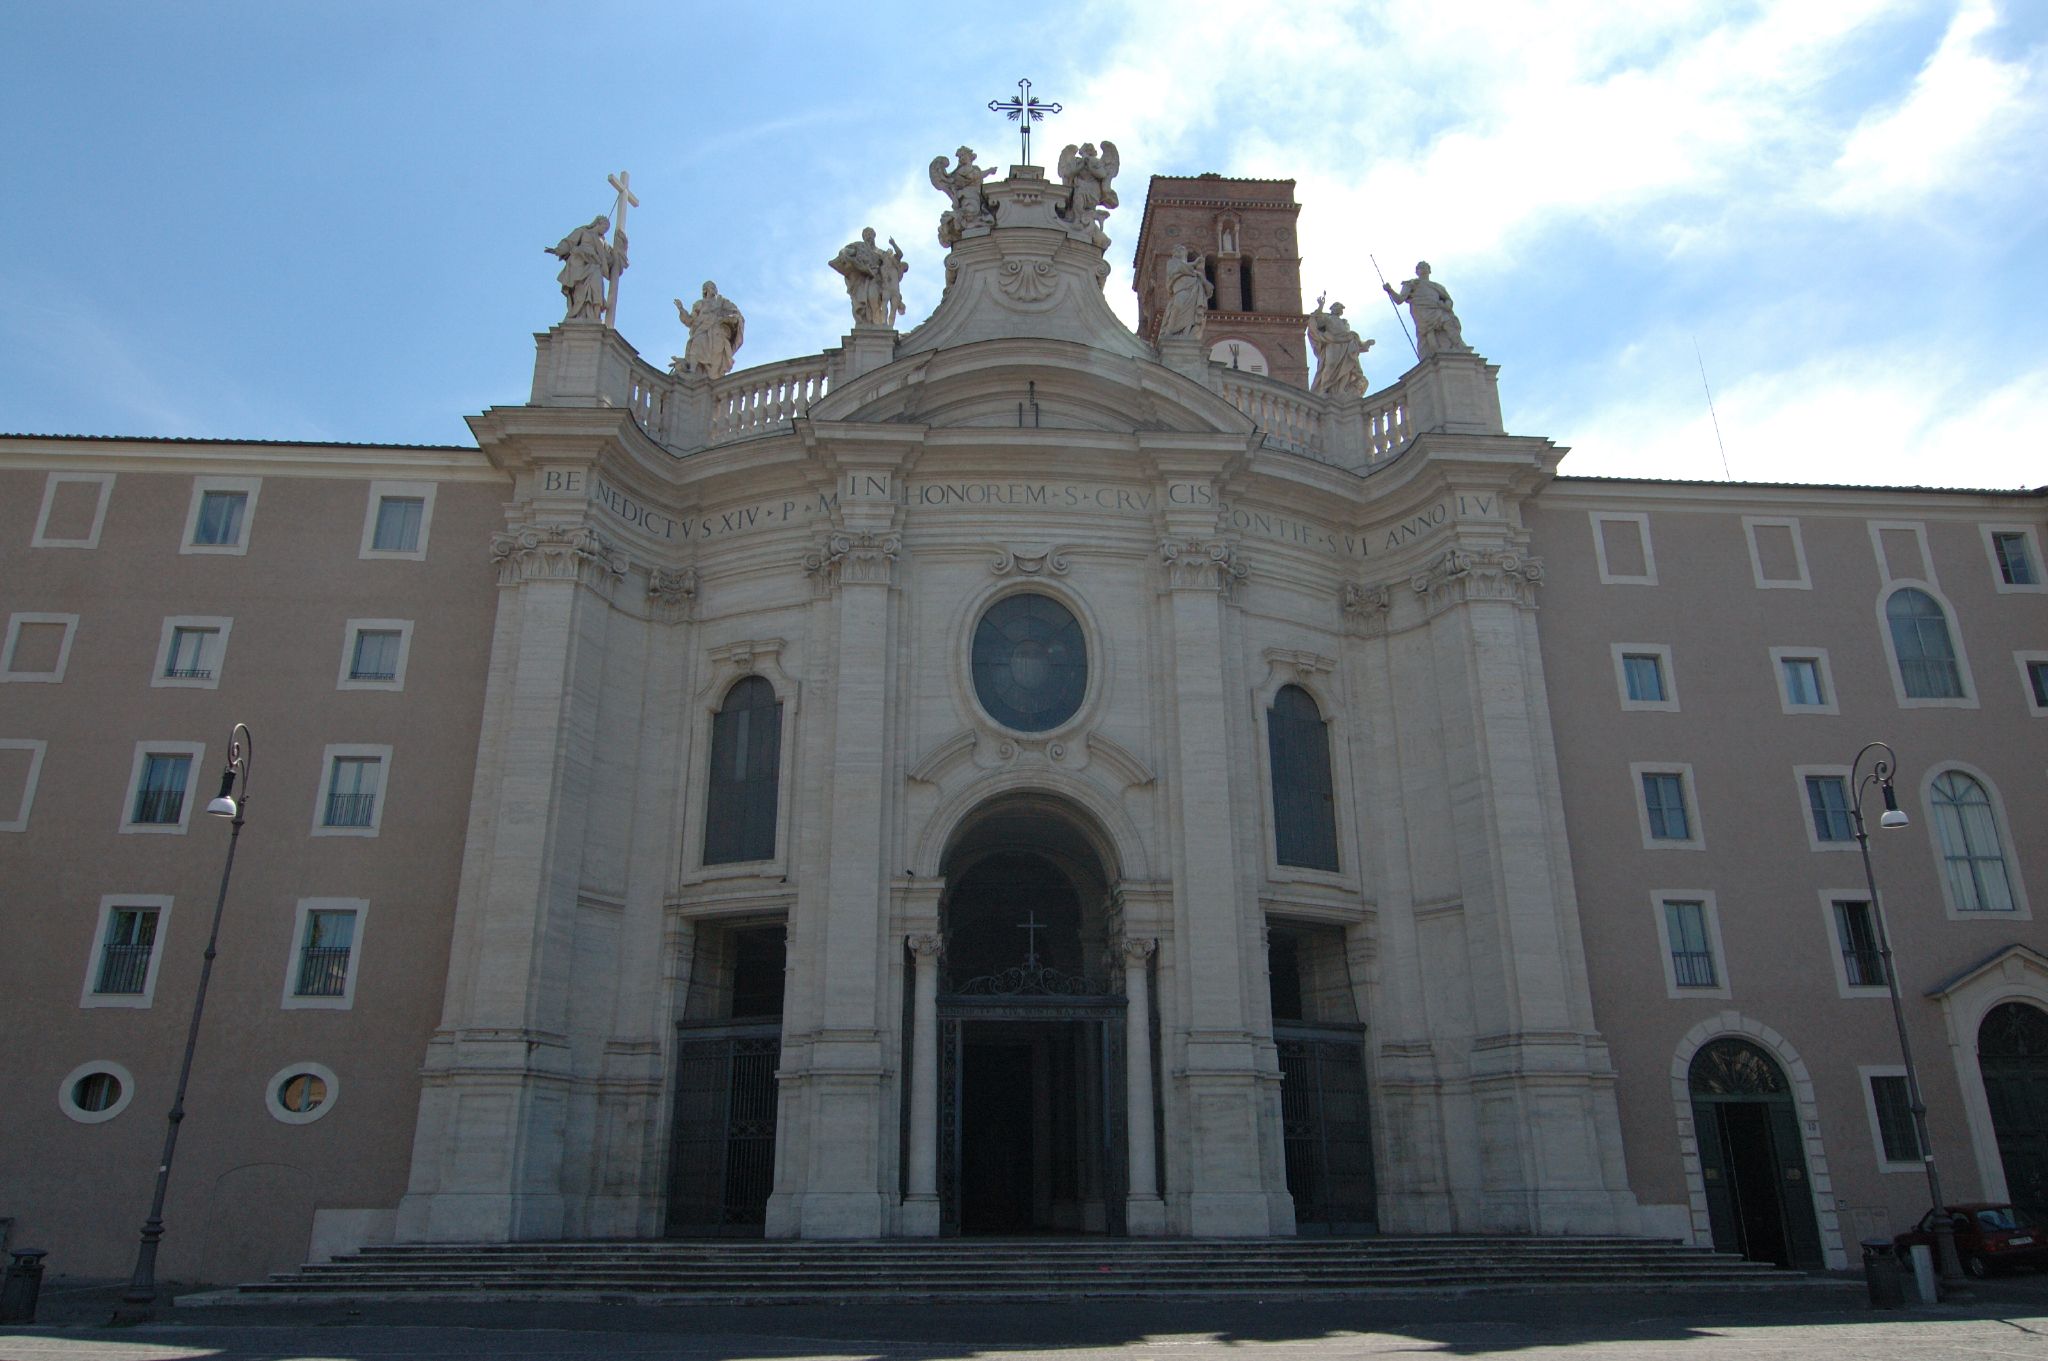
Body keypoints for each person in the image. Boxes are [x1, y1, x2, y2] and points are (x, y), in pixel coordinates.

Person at [1384, 261, 1468, 358]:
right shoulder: (1411, 284)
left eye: (1425, 267)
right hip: (1421, 312)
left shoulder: (1437, 286)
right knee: (1428, 332)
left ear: (1429, 270)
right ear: (1416, 271)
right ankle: (1434, 354)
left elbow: (1448, 299)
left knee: (1449, 322)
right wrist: (1390, 290)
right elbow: (1399, 300)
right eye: (1420, 267)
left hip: (1438, 309)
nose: (1423, 268)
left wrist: (1447, 306)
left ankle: (1459, 345)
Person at [830, 228, 908, 328]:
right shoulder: (860, 247)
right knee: (872, 298)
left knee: (875, 300)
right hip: (866, 280)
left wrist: (893, 245)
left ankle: (878, 324)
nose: (868, 236)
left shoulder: (880, 252)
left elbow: (895, 258)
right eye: (866, 234)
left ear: (874, 236)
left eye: (870, 234)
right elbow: (846, 252)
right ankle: (874, 323)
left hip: (879, 281)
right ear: (863, 237)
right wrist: (845, 253)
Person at [546, 215, 616, 323]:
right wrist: (558, 250)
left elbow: (610, 258)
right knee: (580, 290)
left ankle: (593, 315)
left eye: (607, 229)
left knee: (596, 288)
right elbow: (569, 242)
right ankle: (577, 315)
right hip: (579, 264)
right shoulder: (583, 231)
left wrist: (619, 250)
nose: (605, 231)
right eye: (605, 227)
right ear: (598, 223)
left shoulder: (602, 242)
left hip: (594, 267)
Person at [1305, 294, 1372, 398]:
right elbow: (1315, 320)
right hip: (1332, 343)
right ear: (1332, 308)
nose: (1341, 310)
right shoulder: (1327, 318)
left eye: (1341, 308)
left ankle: (1340, 389)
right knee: (1330, 364)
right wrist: (1321, 306)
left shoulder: (1344, 322)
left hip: (1346, 344)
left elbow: (1349, 334)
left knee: (1347, 367)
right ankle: (1323, 389)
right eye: (1339, 307)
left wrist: (1363, 344)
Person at [674, 282, 745, 378]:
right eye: (711, 287)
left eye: (715, 287)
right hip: (702, 329)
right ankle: (692, 371)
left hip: (717, 332)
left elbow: (736, 314)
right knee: (697, 344)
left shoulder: (722, 301)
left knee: (716, 356)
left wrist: (727, 318)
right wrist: (681, 309)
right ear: (705, 290)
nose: (714, 289)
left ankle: (713, 376)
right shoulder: (699, 304)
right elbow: (690, 320)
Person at [1158, 247, 1211, 340]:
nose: (1177, 252)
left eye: (1180, 250)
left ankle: (1186, 332)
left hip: (1192, 292)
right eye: (1176, 250)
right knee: (1177, 307)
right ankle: (1169, 332)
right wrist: (1194, 263)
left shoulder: (1193, 272)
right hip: (1180, 291)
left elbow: (1208, 288)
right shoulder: (1172, 263)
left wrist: (1200, 276)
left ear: (1185, 253)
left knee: (1191, 315)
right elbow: (1177, 269)